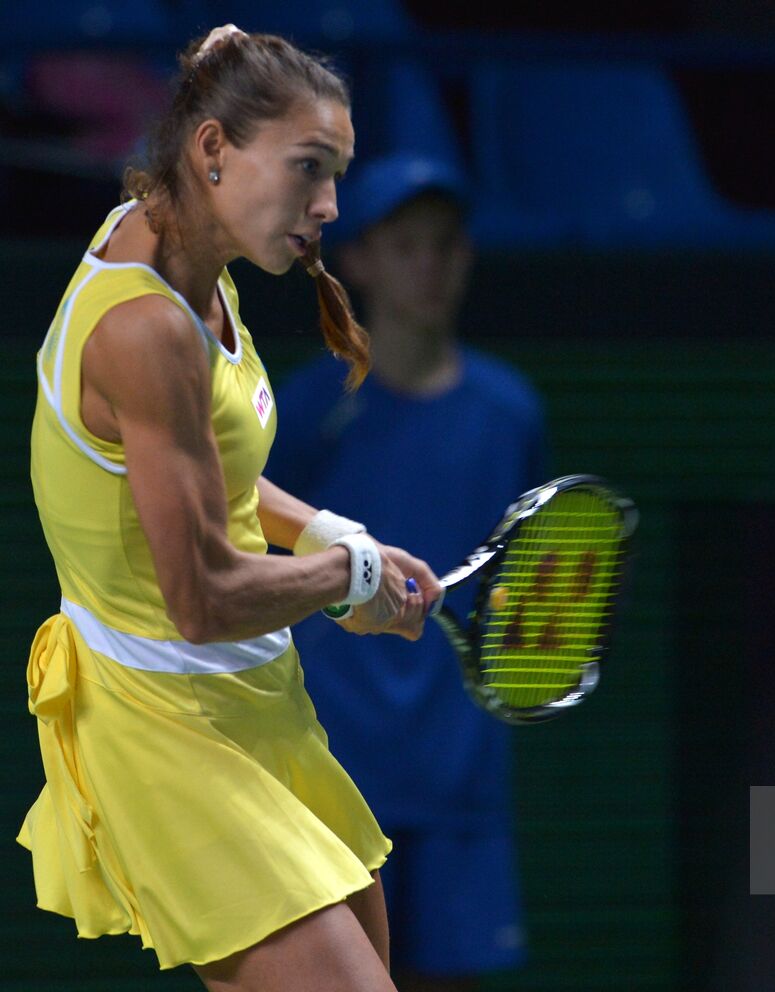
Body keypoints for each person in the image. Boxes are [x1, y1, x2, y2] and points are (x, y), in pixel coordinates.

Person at [20, 25, 445, 992]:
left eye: (334, 174)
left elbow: (199, 469)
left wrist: (333, 534)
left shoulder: (190, 252)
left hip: (260, 709)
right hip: (166, 725)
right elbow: (203, 596)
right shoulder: (144, 331)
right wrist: (350, 580)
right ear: (212, 153)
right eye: (307, 170)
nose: (329, 207)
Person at [264, 152, 547, 991]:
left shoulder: (510, 413)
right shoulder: (311, 410)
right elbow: (248, 562)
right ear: (359, 262)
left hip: (460, 792)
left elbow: (535, 594)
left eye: (445, 245)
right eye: (405, 245)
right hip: (334, 784)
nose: (428, 264)